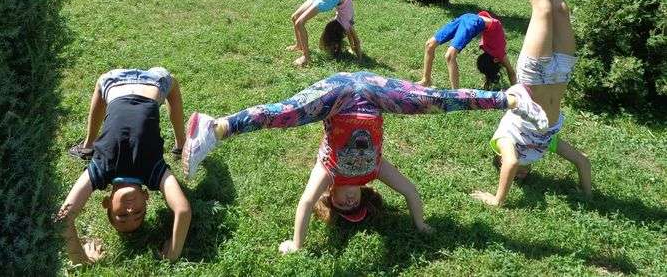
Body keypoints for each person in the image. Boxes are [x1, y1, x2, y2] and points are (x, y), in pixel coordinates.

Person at [181, 71, 549, 253]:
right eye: (354, 205)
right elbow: (411, 193)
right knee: (434, 99)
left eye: (342, 206)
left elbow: (306, 204)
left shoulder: (328, 171)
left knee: (286, 113)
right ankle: (509, 98)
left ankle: (215, 127)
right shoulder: (376, 171)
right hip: (375, 93)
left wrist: (297, 244)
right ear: (365, 196)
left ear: (333, 198)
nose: (348, 202)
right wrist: (420, 226)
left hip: (338, 95)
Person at [471, 0, 592, 207]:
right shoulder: (542, 145)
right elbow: (582, 161)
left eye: (516, 176)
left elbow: (511, 164)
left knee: (543, 10)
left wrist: (497, 199)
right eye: (526, 177)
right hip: (561, 74)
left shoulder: (505, 142)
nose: (523, 174)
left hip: (535, 76)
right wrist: (587, 194)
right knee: (560, 9)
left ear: (498, 159)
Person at [57, 68, 191, 264]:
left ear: (107, 203)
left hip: (114, 81)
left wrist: (82, 260)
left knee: (101, 83)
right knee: (173, 85)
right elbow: (183, 210)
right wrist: (172, 252)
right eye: (138, 213)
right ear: (146, 197)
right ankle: (181, 143)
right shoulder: (154, 172)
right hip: (154, 82)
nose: (130, 211)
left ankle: (88, 145)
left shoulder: (100, 170)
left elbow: (63, 219)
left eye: (121, 216)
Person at [419, 11, 516, 89]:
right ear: (495, 60)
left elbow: (511, 72)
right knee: (429, 45)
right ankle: (426, 80)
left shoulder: (495, 53)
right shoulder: (499, 54)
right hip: (471, 20)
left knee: (449, 55)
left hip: (472, 20)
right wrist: (517, 91)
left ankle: (456, 95)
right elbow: (511, 72)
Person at [286, 0, 362, 67]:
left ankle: (305, 54)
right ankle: (304, 53)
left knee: (296, 19)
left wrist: (353, 50)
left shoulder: (343, 23)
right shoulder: (347, 25)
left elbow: (352, 39)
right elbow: (356, 41)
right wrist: (359, 58)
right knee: (298, 21)